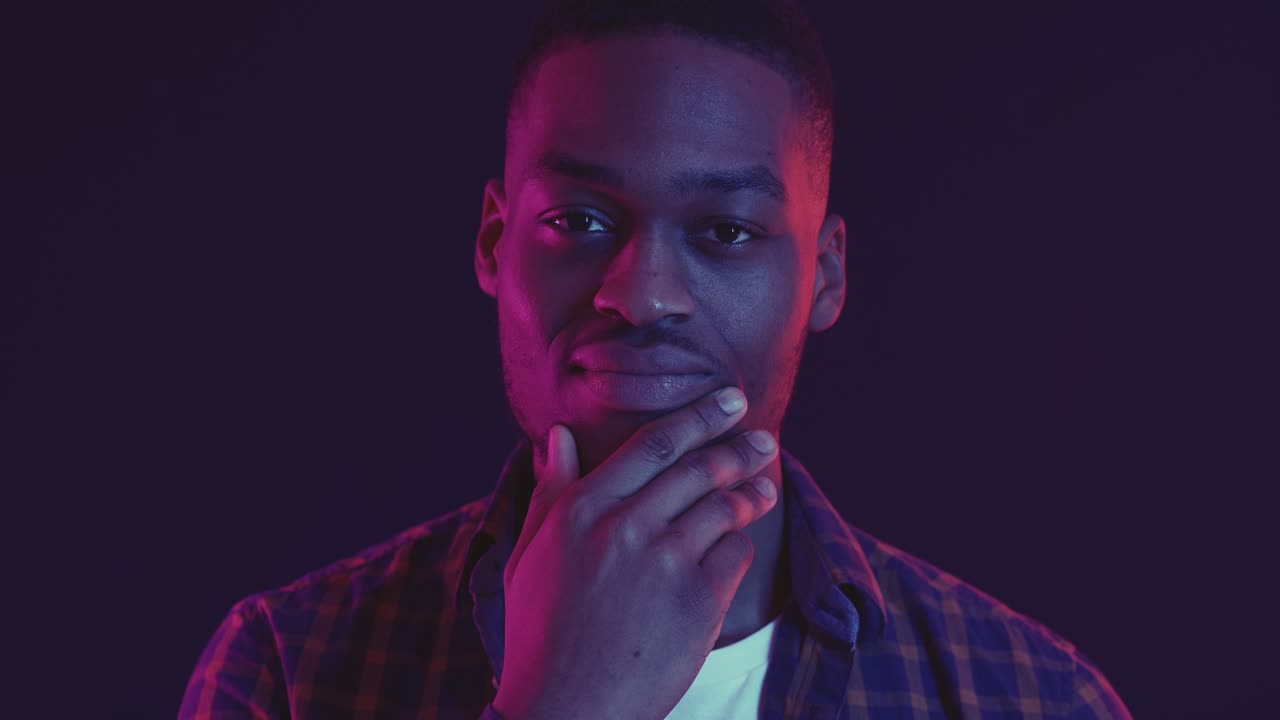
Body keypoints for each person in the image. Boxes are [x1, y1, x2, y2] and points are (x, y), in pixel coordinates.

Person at [179, 1, 1132, 718]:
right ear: (492, 244)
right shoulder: (287, 670)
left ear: (825, 277)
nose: (640, 295)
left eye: (724, 230)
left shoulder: (1035, 699)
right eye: (579, 221)